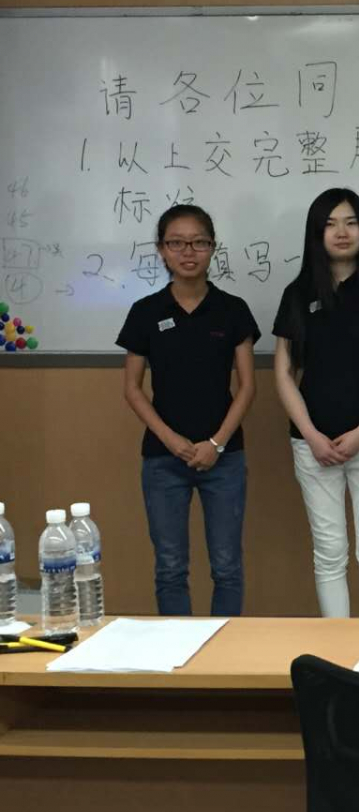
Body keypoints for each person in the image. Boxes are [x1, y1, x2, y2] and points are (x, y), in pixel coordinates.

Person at [273, 188, 359, 618]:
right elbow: (283, 374)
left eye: (351, 222)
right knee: (330, 551)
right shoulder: (297, 294)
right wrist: (311, 435)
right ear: (316, 233)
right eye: (331, 224)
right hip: (313, 445)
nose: (342, 232)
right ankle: (338, 647)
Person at [117, 204, 259, 616]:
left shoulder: (233, 310)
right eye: (176, 243)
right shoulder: (146, 312)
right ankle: (175, 652)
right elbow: (132, 389)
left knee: (227, 567)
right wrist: (171, 440)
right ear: (162, 249)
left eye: (199, 242)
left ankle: (224, 651)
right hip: (163, 459)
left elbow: (248, 386)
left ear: (213, 247)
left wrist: (216, 443)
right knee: (170, 568)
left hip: (224, 458)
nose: (188, 252)